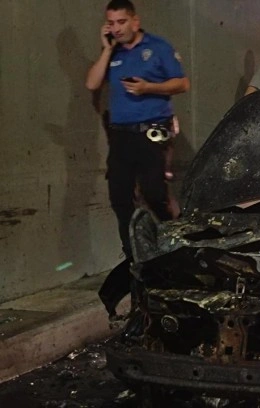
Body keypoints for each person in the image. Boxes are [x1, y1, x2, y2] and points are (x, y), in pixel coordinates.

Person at [85, 0, 190, 319]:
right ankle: (134, 257)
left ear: (135, 21)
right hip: (121, 136)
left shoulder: (158, 47)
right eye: (111, 23)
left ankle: (174, 245)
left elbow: (182, 83)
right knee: (119, 197)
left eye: (121, 22)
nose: (116, 28)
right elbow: (92, 83)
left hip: (152, 133)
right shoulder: (114, 52)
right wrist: (106, 49)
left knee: (155, 194)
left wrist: (148, 88)